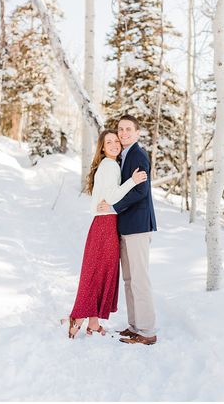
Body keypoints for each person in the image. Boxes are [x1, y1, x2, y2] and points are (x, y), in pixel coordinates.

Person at [65, 130, 148, 339]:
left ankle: (93, 322)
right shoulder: (110, 165)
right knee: (97, 273)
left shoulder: (109, 165)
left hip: (104, 223)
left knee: (99, 271)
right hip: (105, 224)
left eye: (116, 141)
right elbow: (111, 196)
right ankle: (79, 317)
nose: (113, 144)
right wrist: (133, 181)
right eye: (108, 142)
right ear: (102, 148)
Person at [97, 114, 158, 345]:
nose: (123, 133)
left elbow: (140, 191)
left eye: (128, 129)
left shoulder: (138, 154)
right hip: (127, 225)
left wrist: (113, 207)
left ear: (137, 132)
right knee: (130, 280)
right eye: (120, 129)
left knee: (140, 280)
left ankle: (147, 330)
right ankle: (135, 326)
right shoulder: (124, 155)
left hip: (138, 226)